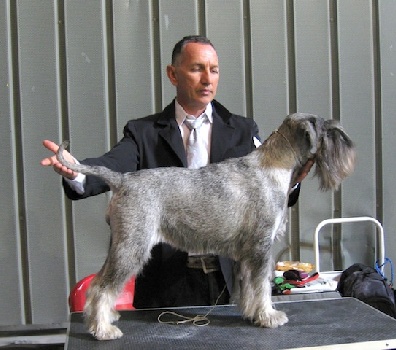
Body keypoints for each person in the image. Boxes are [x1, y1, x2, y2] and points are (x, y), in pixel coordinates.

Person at [41, 35, 313, 309]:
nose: (207, 79)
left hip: (226, 285)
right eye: (197, 68)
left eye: (214, 70)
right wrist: (75, 172)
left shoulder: (243, 131)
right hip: (165, 287)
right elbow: (113, 166)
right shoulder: (142, 132)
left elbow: (270, 193)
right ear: (173, 74)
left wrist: (292, 181)